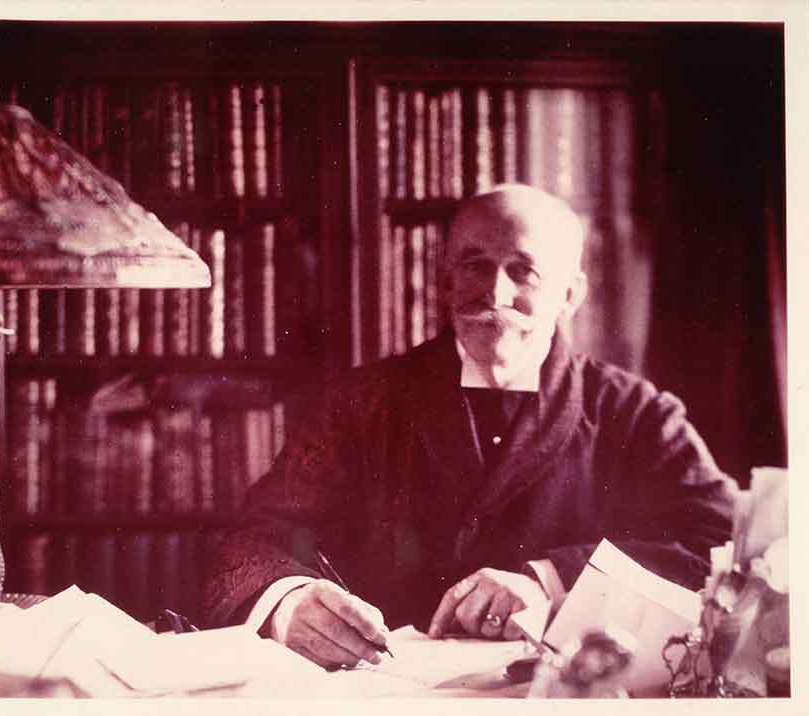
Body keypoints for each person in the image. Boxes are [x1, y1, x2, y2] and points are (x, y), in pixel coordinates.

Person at [201, 184, 734, 670]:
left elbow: (723, 544)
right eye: (474, 266)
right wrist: (288, 602)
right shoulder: (358, 402)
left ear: (570, 295)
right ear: (445, 282)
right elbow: (250, 542)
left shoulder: (637, 413)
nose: (495, 294)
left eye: (522, 271)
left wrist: (551, 580)